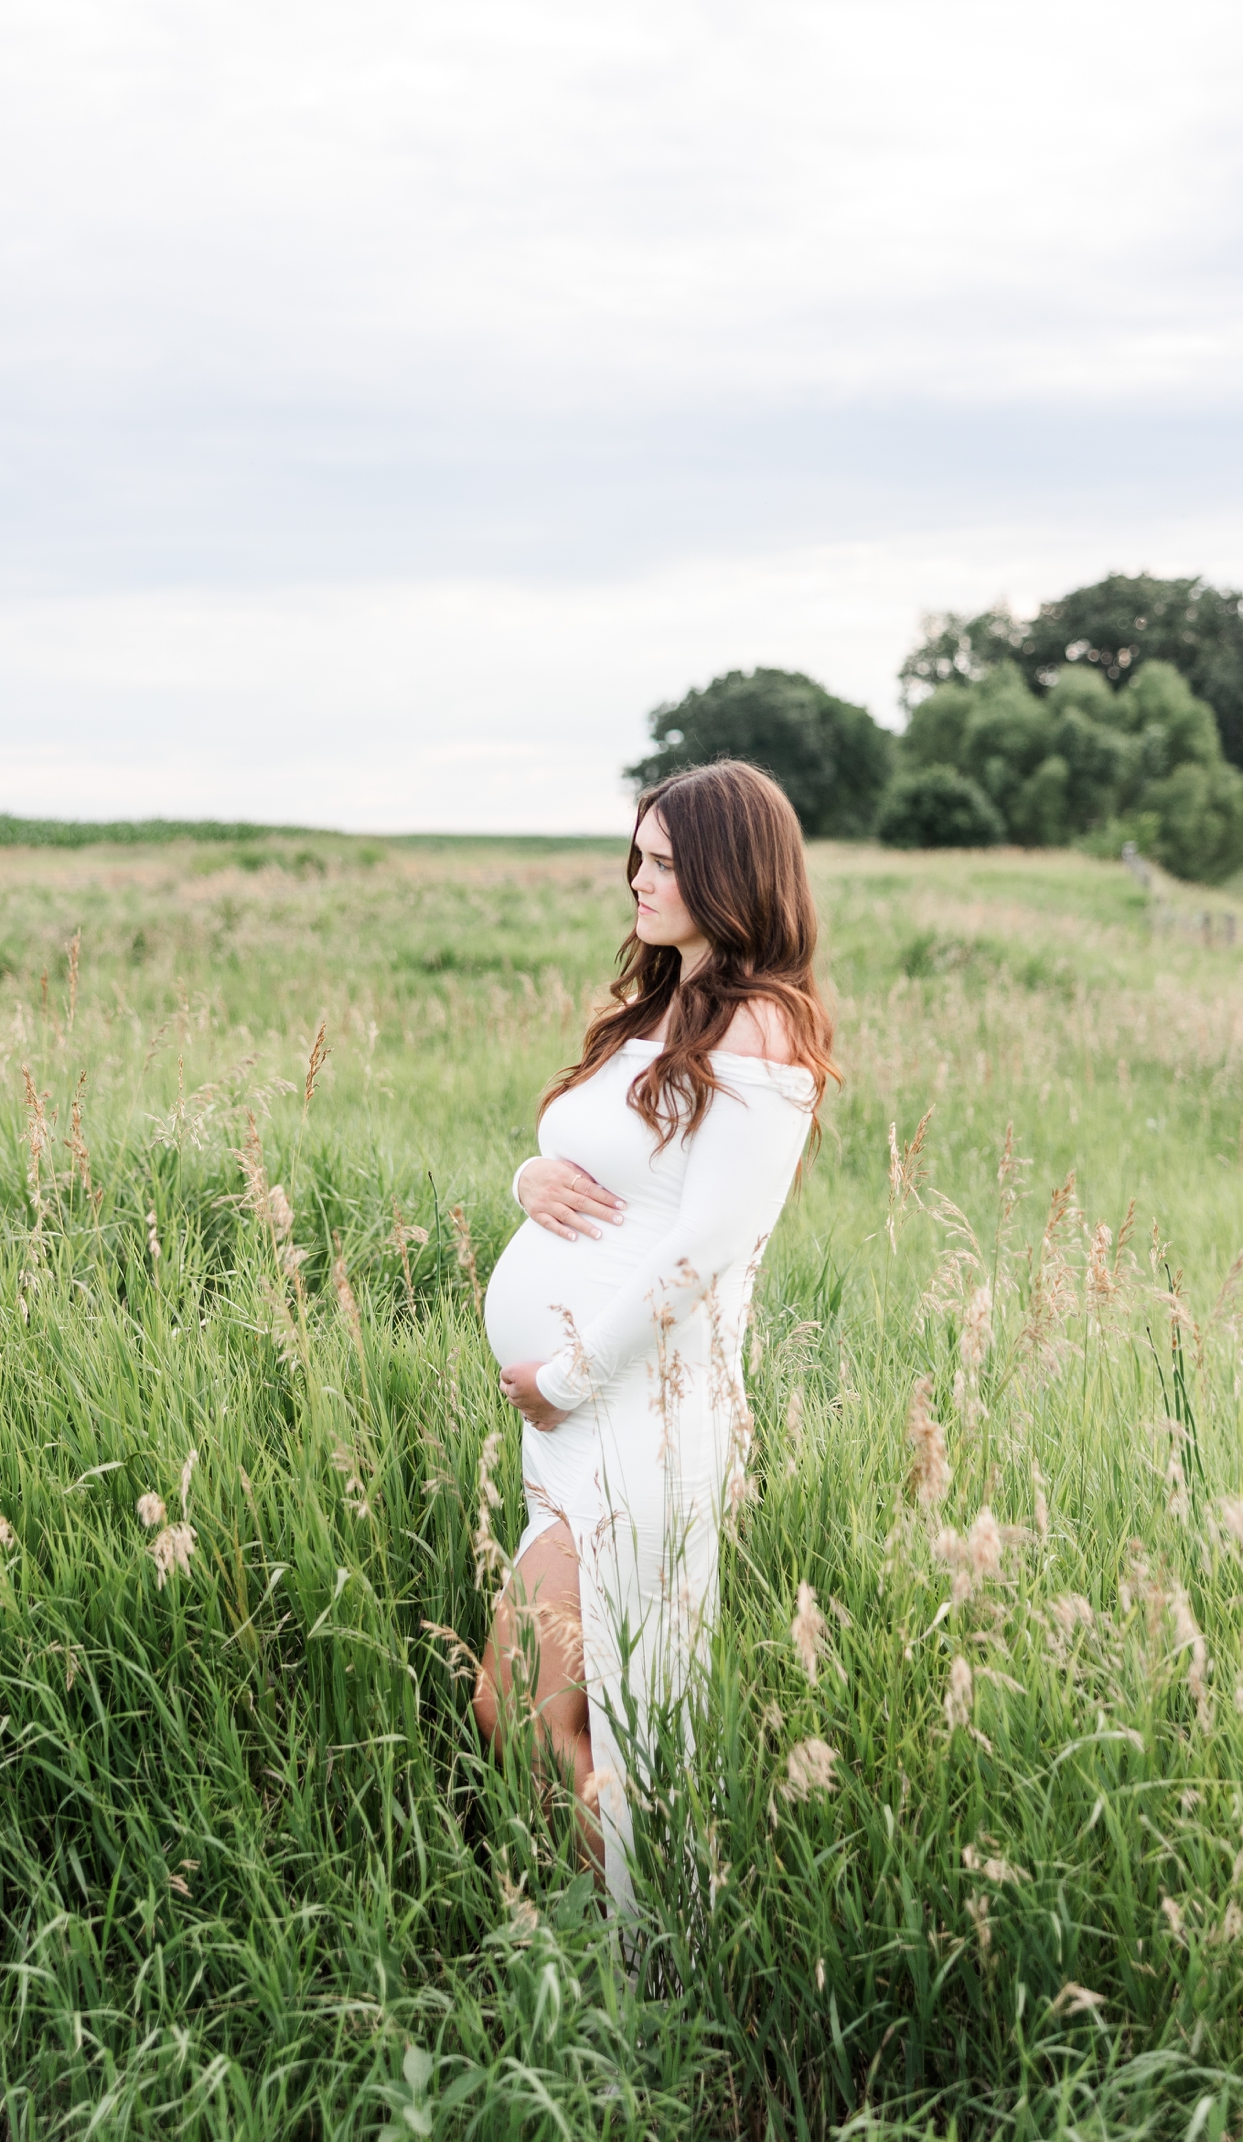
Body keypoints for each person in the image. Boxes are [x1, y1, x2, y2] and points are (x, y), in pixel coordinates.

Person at [473, 759, 837, 1914]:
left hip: (637, 1411)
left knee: (574, 1712)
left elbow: (710, 1246)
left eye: (668, 863)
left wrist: (572, 1374)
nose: (638, 879)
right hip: (573, 1417)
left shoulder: (763, 1027)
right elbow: (611, 1174)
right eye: (637, 853)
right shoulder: (655, 1007)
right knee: (548, 1708)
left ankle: (647, 1972)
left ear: (733, 877)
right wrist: (530, 1172)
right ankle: (609, 1952)